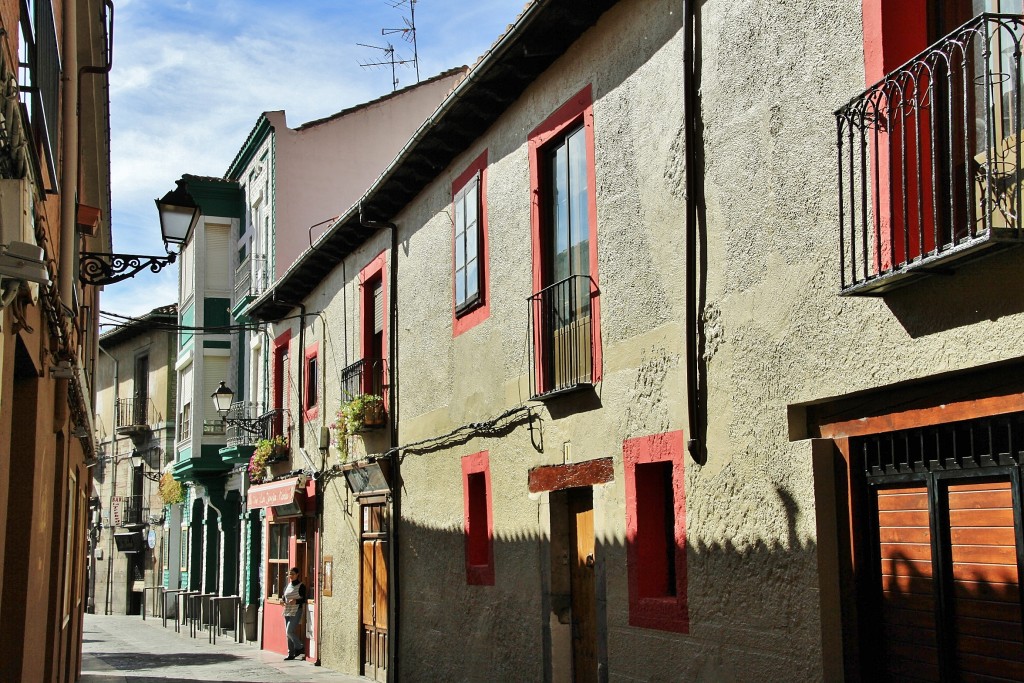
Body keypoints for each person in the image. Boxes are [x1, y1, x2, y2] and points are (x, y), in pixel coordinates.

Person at [282, 567, 307, 661]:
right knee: (287, 633)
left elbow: (304, 599)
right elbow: (284, 596)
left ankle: (300, 647)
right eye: (289, 574)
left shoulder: (301, 586)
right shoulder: (287, 585)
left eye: (292, 574)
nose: (290, 576)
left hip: (296, 610)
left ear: (297, 574)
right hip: (287, 610)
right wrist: (282, 601)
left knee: (289, 631)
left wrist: (296, 601)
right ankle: (291, 653)